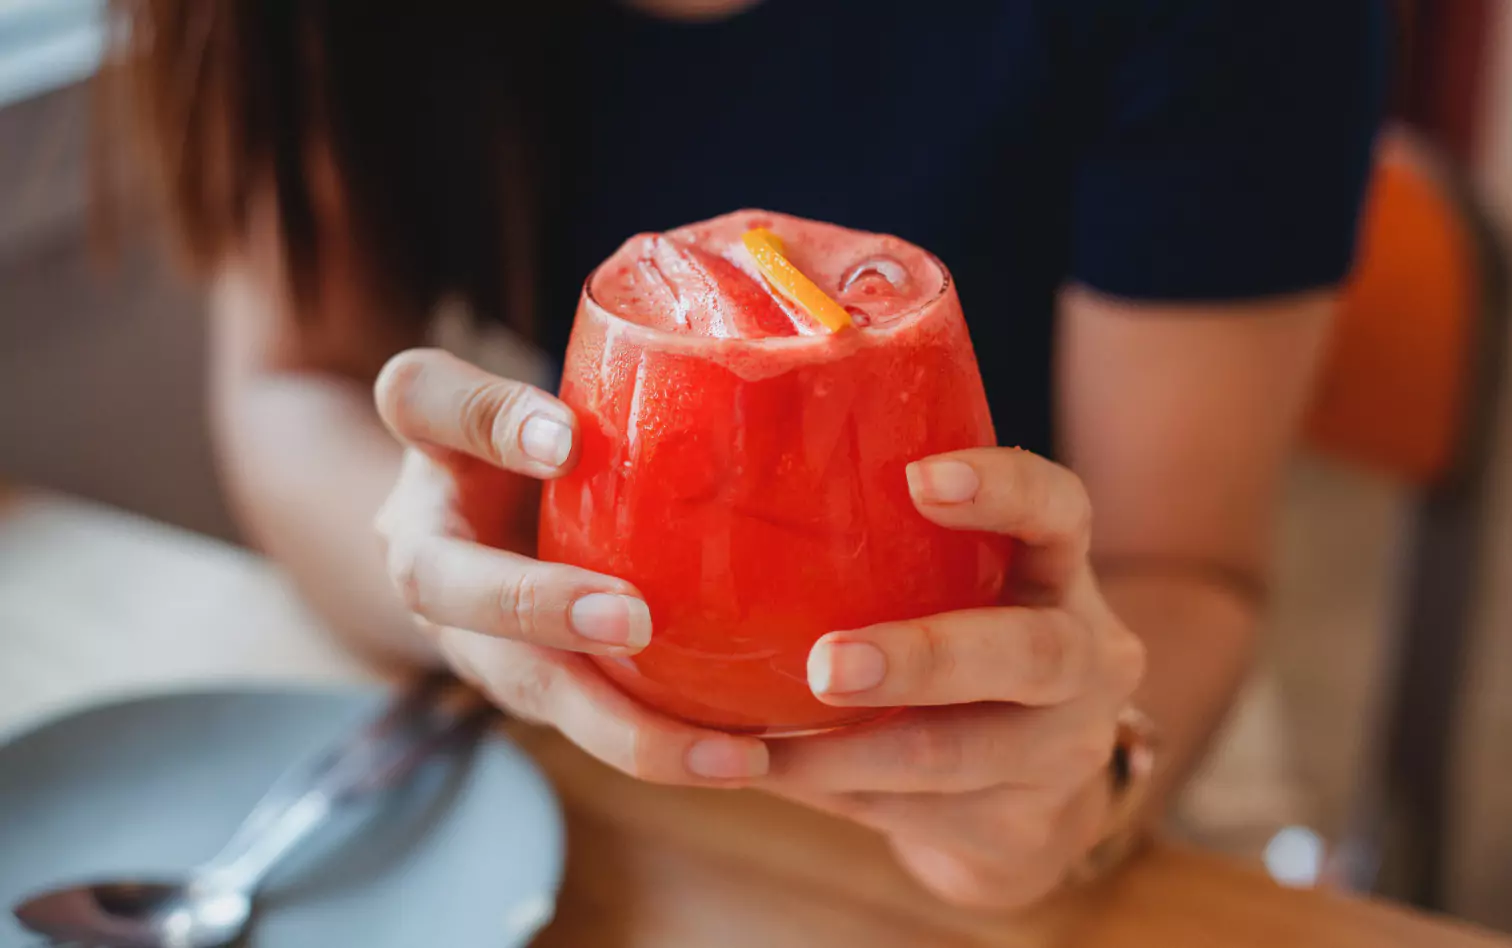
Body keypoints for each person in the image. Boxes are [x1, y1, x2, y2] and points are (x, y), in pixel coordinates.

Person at [104, 0, 1388, 908]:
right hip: (562, 738)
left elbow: (1187, 567)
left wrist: (1085, 791)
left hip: (1057, 681)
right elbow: (295, 385)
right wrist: (462, 581)